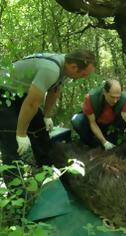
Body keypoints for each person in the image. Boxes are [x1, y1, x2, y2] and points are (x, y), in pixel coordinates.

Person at [0, 49, 96, 185]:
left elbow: (54, 90)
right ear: (74, 67)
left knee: (40, 131)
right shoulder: (51, 69)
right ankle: (18, 192)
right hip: (3, 91)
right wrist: (21, 134)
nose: (84, 77)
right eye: (84, 74)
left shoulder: (65, 66)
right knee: (11, 141)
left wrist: (46, 115)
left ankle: (48, 171)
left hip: (19, 92)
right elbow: (32, 103)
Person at [71, 79, 126, 160]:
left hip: (110, 126)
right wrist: (104, 142)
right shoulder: (91, 98)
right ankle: (89, 144)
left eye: (118, 97)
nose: (115, 100)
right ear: (104, 92)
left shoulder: (124, 101)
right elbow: (92, 123)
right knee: (77, 121)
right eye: (112, 97)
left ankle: (109, 141)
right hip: (94, 125)